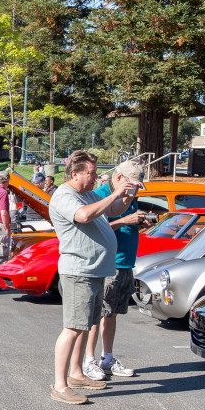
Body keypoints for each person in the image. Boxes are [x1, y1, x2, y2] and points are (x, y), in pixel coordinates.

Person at [47, 150, 135, 405]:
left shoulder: (87, 193)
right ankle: (60, 385)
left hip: (95, 270)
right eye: (92, 173)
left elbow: (115, 209)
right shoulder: (64, 195)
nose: (96, 177)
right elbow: (84, 216)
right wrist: (116, 193)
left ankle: (76, 374)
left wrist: (127, 193)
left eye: (96, 172)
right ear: (75, 174)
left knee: (85, 326)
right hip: (79, 271)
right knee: (73, 328)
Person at [83, 161, 151, 381]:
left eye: (138, 186)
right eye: (133, 185)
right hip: (109, 265)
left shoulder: (130, 197)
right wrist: (125, 220)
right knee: (97, 315)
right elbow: (94, 226)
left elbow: (122, 223)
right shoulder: (101, 195)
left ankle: (107, 358)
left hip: (124, 264)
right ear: (119, 178)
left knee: (111, 314)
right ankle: (89, 361)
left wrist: (137, 222)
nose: (136, 190)